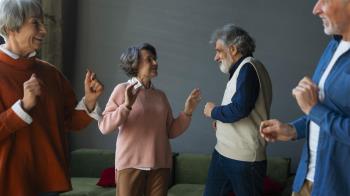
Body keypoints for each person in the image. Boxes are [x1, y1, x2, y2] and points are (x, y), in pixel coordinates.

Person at [0, 0, 104, 195]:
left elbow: (69, 122)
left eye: (42, 23)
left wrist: (89, 101)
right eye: (35, 23)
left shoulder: (51, 73)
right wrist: (22, 107)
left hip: (48, 184)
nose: (44, 31)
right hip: (9, 184)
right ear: (10, 28)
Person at [260, 0, 350, 195]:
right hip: (305, 183)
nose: (315, 9)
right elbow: (325, 113)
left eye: (324, 1)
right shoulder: (334, 46)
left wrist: (313, 109)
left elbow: (318, 110)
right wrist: (293, 130)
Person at [98, 43, 201, 196]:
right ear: (135, 64)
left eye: (155, 59)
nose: (155, 63)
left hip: (160, 166)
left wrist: (187, 112)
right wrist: (126, 106)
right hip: (130, 166)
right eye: (149, 59)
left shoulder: (160, 96)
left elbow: (170, 131)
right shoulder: (122, 90)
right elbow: (104, 126)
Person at [203, 24, 272, 196]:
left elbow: (240, 109)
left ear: (232, 49)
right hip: (224, 153)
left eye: (219, 51)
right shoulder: (242, 69)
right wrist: (221, 122)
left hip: (244, 160)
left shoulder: (249, 68)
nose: (215, 57)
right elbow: (240, 108)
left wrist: (213, 111)